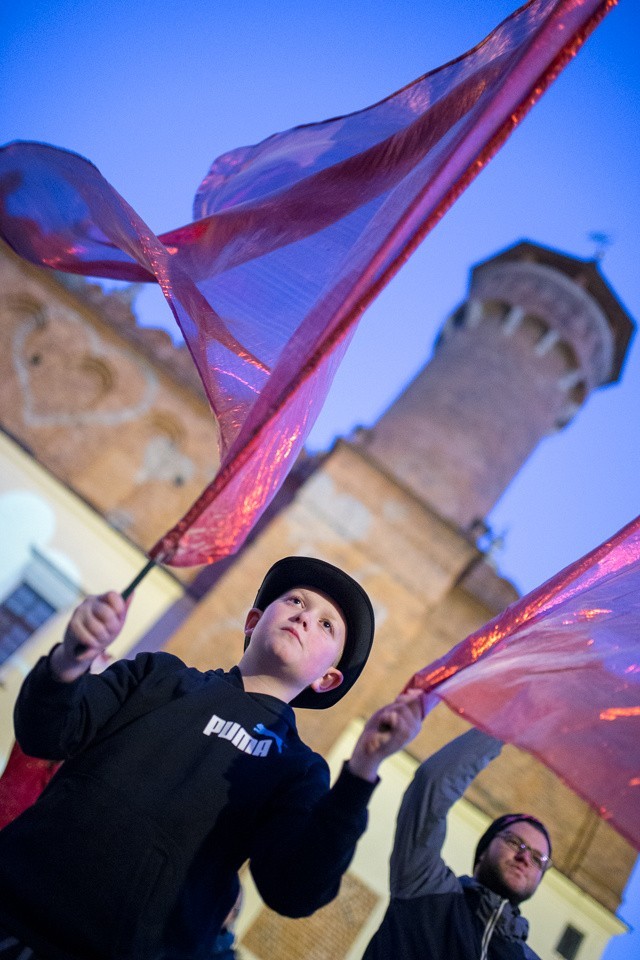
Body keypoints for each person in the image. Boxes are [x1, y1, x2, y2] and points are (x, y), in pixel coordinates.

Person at [0, 556, 424, 960]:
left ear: (327, 679)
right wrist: (70, 658)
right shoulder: (157, 675)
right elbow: (45, 734)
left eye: (327, 625)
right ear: (254, 621)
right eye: (295, 601)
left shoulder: (298, 769)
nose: (304, 616)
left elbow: (293, 889)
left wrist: (360, 774)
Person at [362, 727, 551, 960]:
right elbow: (432, 783)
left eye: (537, 858)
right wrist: (510, 722)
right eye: (515, 842)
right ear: (483, 852)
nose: (524, 858)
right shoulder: (425, 885)